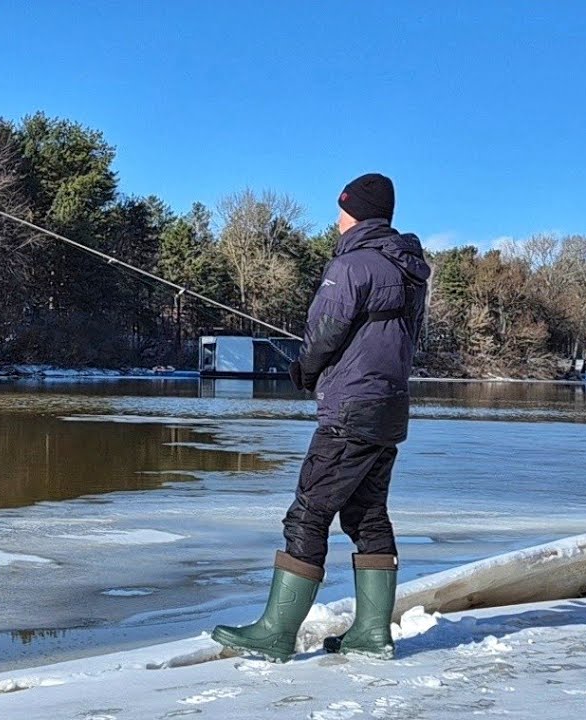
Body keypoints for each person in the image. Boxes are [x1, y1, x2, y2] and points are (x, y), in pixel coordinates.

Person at [211, 173, 430, 662]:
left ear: (359, 212)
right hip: (388, 408)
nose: (336, 219)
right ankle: (372, 635)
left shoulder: (353, 265)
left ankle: (276, 632)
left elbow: (324, 332)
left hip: (350, 408)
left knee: (308, 512)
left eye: (341, 209)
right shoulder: (410, 270)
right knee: (368, 515)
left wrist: (304, 370)